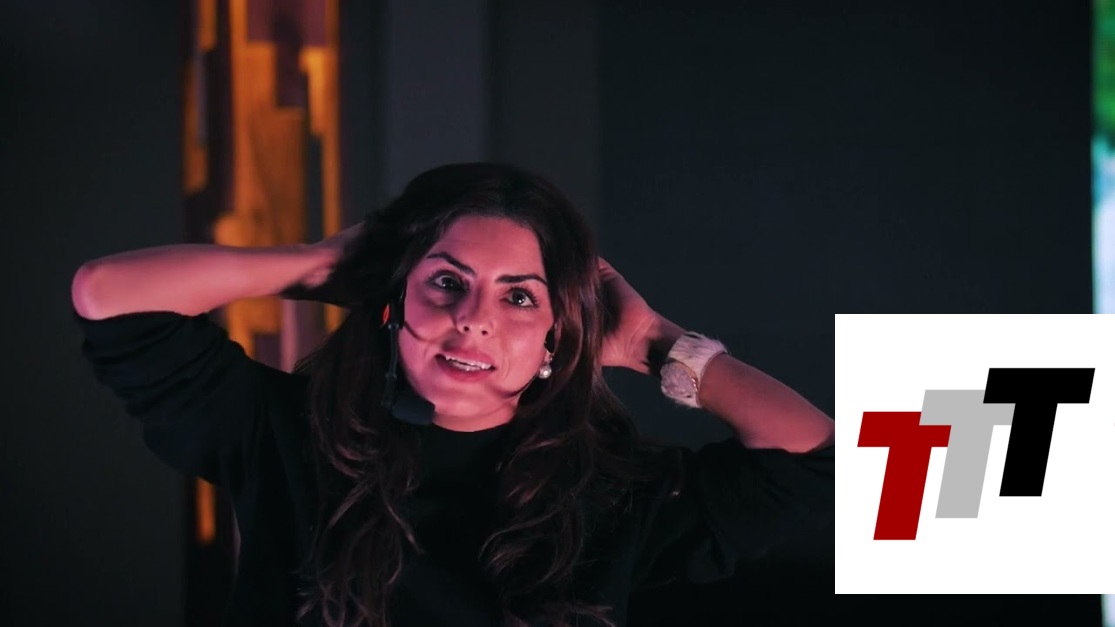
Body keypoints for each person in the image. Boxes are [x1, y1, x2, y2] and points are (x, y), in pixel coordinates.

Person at [70, 162, 834, 627]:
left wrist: (652, 342)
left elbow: (824, 457)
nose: (472, 318)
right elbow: (107, 294)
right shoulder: (286, 431)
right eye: (445, 281)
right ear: (393, 300)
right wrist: (314, 264)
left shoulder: (610, 489)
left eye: (519, 297)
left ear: (556, 337)